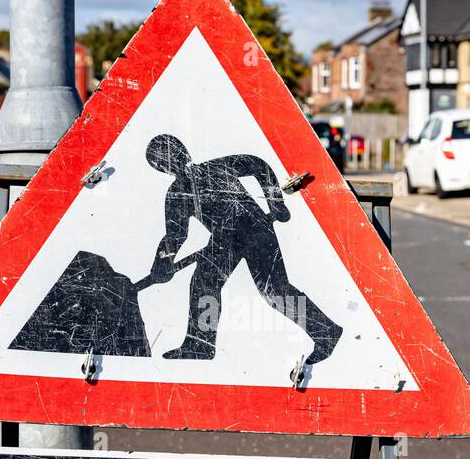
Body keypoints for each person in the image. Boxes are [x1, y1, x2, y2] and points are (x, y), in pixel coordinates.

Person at [145, 133, 342, 364]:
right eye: (164, 160)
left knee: (274, 291)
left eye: (169, 156)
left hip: (256, 229)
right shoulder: (177, 194)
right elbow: (176, 235)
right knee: (204, 283)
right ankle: (199, 346)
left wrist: (275, 203)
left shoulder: (216, 168)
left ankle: (325, 332)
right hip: (224, 239)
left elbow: (259, 166)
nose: (170, 162)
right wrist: (161, 265)